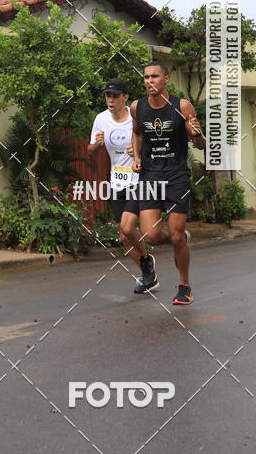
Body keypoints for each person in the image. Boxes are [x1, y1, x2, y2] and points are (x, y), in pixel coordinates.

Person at [131, 61, 205, 305]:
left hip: (176, 176)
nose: (149, 81)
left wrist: (198, 133)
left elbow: (199, 144)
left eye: (154, 76)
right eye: (146, 77)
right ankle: (181, 236)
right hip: (150, 176)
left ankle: (185, 286)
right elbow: (138, 132)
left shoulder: (182, 106)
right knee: (150, 236)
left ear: (166, 80)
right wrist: (138, 157)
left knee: (174, 237)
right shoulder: (137, 107)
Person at [88, 78, 158, 295]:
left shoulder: (137, 116)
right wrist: (97, 145)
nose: (110, 99)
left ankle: (146, 261)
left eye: (115, 95)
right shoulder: (101, 119)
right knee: (124, 235)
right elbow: (90, 150)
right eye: (108, 95)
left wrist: (138, 153)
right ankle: (149, 275)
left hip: (139, 179)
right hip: (117, 180)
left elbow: (155, 143)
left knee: (128, 228)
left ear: (125, 98)